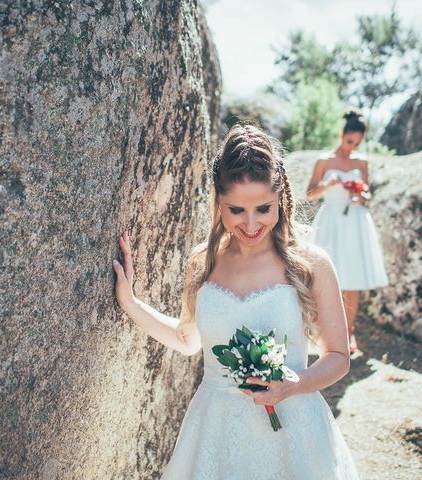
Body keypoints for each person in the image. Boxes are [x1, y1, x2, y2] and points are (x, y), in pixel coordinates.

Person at [113, 124, 359, 479]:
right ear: (218, 200)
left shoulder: (312, 263)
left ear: (280, 197)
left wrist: (295, 384)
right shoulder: (203, 261)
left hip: (294, 428)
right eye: (236, 210)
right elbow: (186, 340)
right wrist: (130, 303)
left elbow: (337, 357)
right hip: (214, 429)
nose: (251, 223)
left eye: (263, 208)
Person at [305, 109, 389, 355]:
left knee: (353, 278)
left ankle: (348, 332)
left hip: (354, 220)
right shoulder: (324, 161)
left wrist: (361, 195)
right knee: (324, 276)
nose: (352, 147)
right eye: (349, 141)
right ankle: (323, 333)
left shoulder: (361, 162)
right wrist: (326, 185)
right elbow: (310, 192)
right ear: (342, 134)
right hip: (330, 219)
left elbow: (367, 193)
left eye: (357, 143)